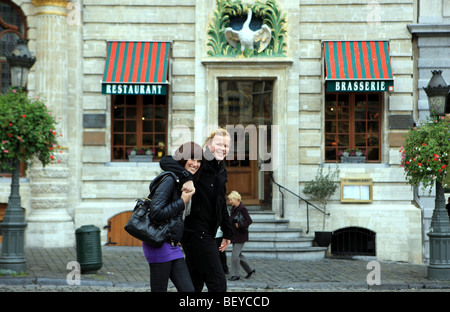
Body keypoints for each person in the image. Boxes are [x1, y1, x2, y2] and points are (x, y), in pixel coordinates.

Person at [159, 128, 233, 292]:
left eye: (226, 146)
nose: (222, 148)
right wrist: (187, 178)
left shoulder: (221, 169)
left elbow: (221, 203)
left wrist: (228, 232)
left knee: (193, 284)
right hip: (195, 231)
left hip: (208, 231)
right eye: (219, 144)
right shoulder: (201, 160)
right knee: (218, 283)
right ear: (209, 144)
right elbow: (165, 160)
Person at [142, 142, 204, 292]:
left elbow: (176, 218)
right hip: (158, 242)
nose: (195, 164)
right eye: (192, 159)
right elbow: (156, 213)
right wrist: (182, 200)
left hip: (172, 244)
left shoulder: (183, 182)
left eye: (199, 161)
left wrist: (179, 237)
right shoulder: (170, 180)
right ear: (182, 159)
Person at [228, 190, 255, 281]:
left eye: (231, 200)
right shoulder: (233, 209)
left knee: (234, 256)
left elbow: (249, 221)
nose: (230, 202)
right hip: (235, 235)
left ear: (236, 199)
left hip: (240, 235)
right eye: (229, 200)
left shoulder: (242, 209)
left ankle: (235, 274)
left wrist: (240, 225)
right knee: (238, 254)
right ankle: (250, 269)